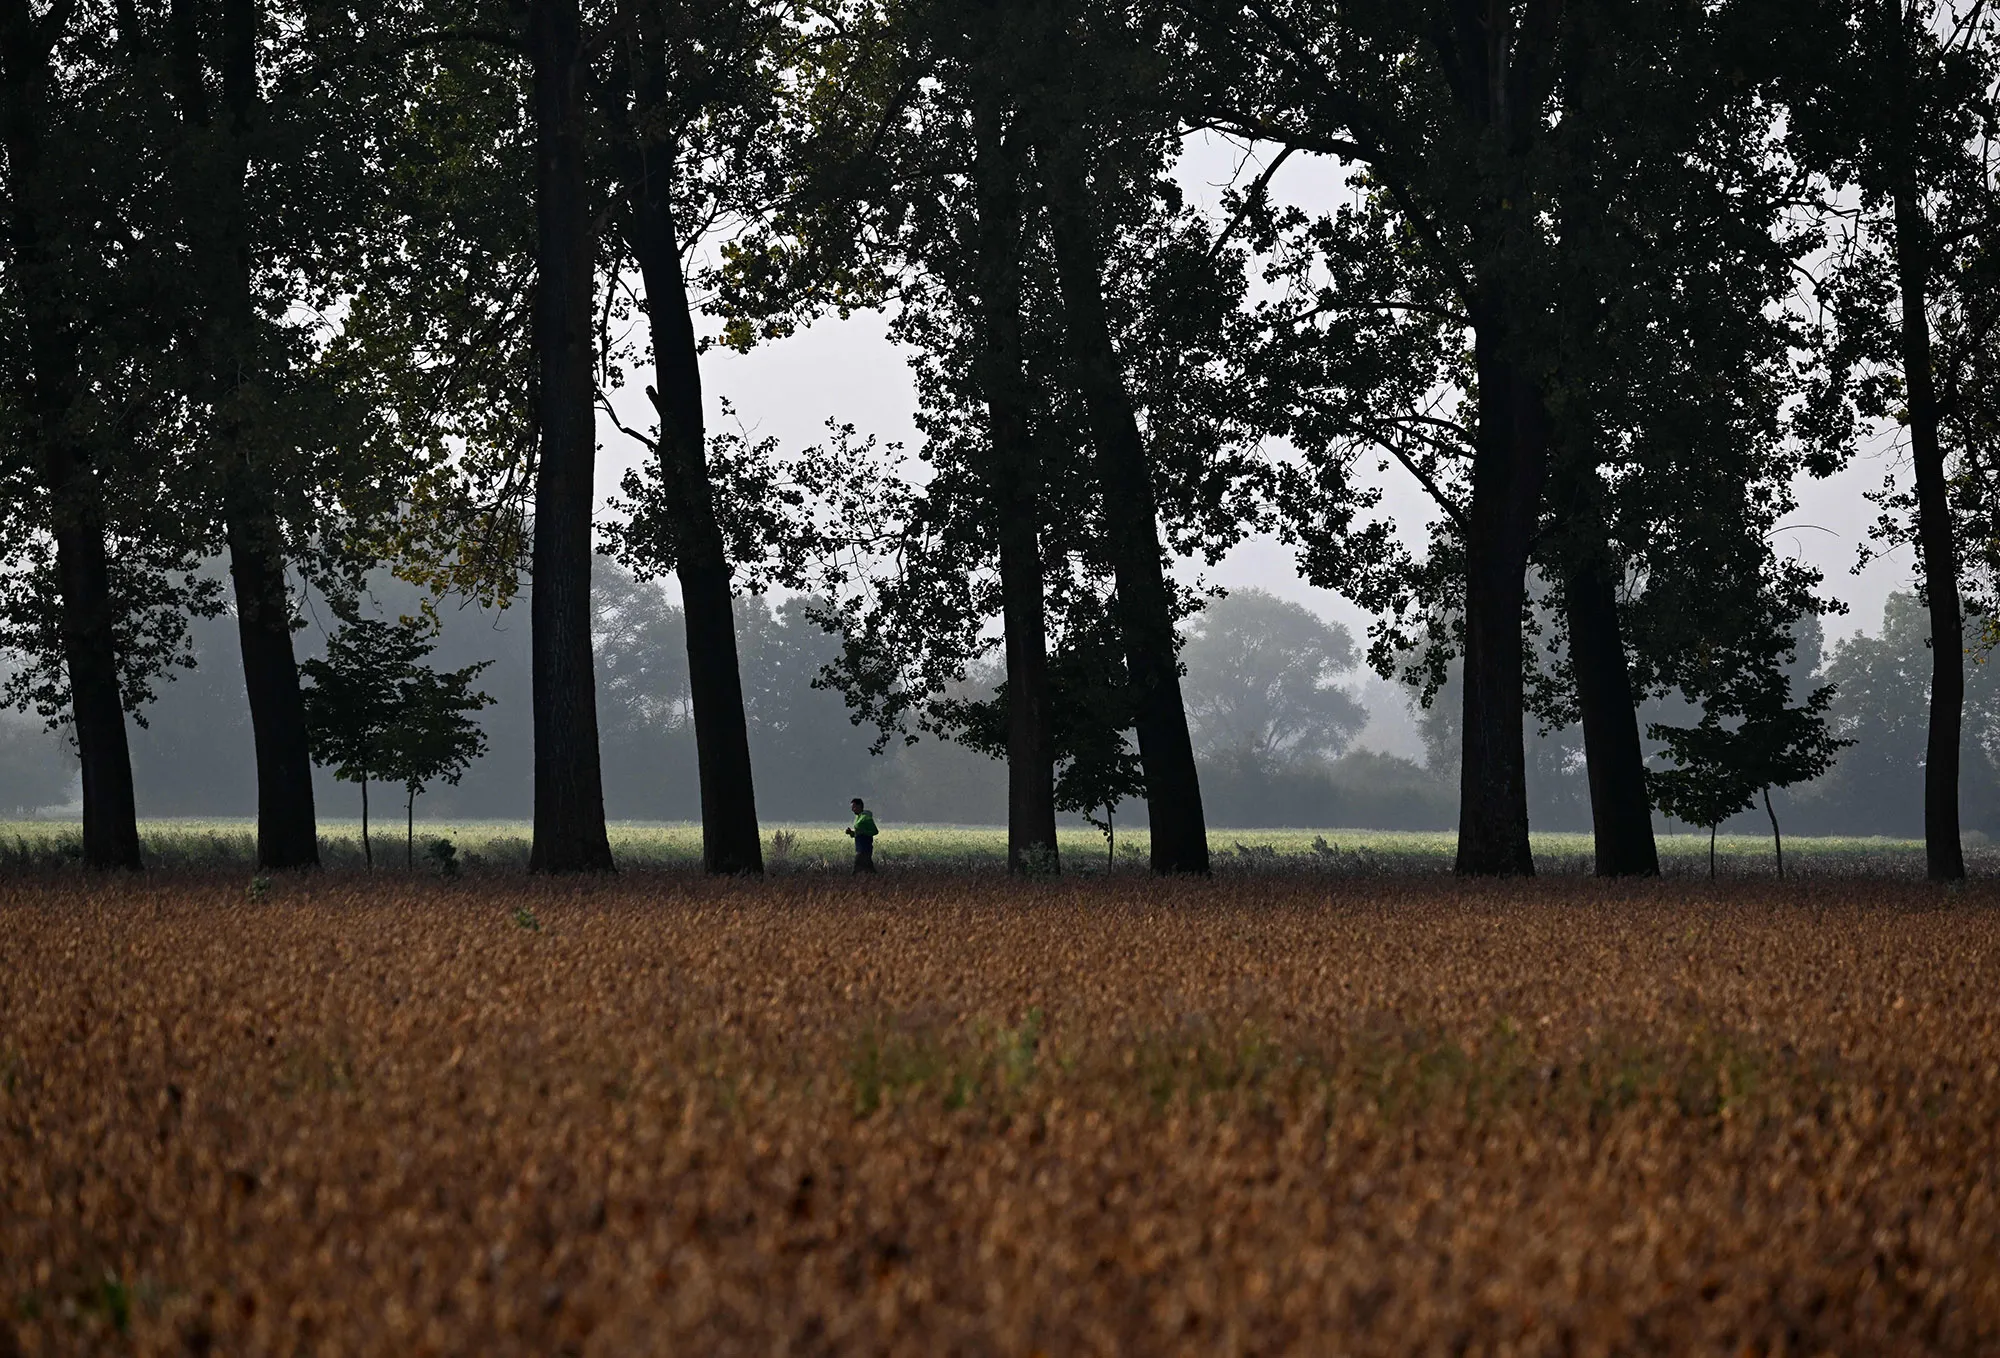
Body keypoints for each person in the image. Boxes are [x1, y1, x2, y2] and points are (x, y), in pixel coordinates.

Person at [845, 797, 879, 873]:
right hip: (859, 847)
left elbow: (875, 831)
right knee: (870, 870)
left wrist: (863, 832)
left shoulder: (866, 817)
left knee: (856, 869)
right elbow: (858, 832)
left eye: (854, 807)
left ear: (859, 806)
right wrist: (851, 833)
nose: (852, 809)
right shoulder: (857, 817)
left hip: (865, 849)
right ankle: (883, 882)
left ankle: (851, 882)